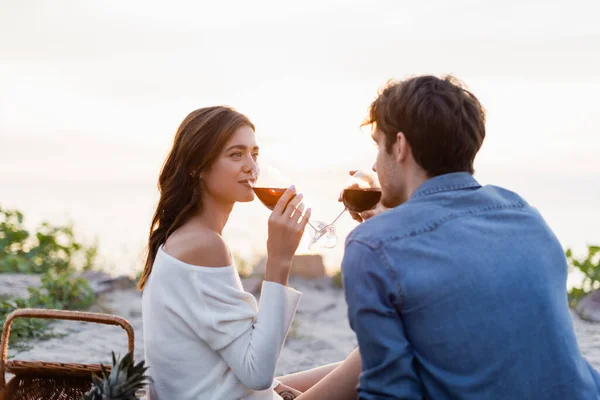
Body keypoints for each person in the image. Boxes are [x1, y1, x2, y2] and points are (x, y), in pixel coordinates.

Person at [340, 74, 600, 399]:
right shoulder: (526, 216)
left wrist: (380, 235)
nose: (375, 164)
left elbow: (389, 392)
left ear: (401, 146)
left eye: (379, 145)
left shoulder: (372, 246)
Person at [139, 106, 361, 400]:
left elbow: (233, 356)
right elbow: (257, 373)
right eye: (236, 154)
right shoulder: (204, 245)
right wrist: (279, 259)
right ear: (198, 167)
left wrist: (276, 389)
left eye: (254, 154)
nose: (251, 166)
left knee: (348, 368)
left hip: (226, 391)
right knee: (374, 359)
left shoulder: (183, 237)